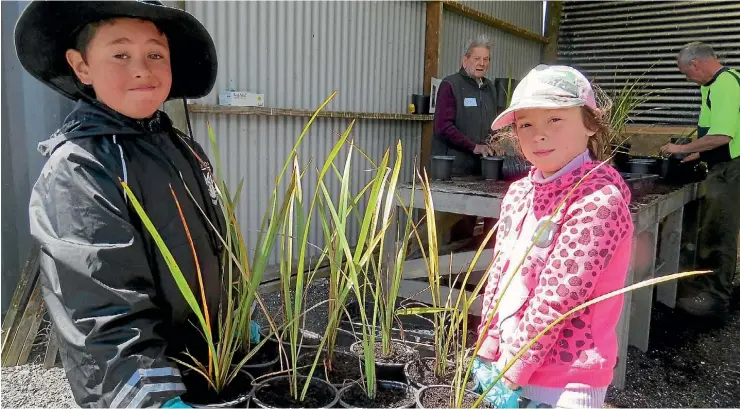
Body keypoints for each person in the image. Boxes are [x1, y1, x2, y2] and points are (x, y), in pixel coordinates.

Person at [16, 2, 256, 407]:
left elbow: (217, 248)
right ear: (81, 66)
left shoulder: (185, 150)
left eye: (155, 54)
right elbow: (98, 312)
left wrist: (238, 322)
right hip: (147, 385)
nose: (142, 69)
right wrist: (155, 398)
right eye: (121, 54)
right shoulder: (80, 168)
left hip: (211, 366)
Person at [471, 65, 635, 408]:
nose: (538, 135)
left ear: (590, 124)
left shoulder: (597, 201)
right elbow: (500, 274)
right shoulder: (519, 193)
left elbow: (558, 298)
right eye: (526, 124)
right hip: (508, 365)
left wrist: (511, 373)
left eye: (555, 120)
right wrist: (487, 346)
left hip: (565, 381)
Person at [660, 41, 740, 322]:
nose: (687, 78)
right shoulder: (718, 84)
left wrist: (679, 148)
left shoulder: (725, 84)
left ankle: (715, 302)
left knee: (720, 231)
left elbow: (723, 136)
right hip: (724, 165)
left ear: (695, 65)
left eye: (685, 73)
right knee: (715, 228)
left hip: (732, 169)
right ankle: (712, 290)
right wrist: (697, 152)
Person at [429, 35, 499, 245]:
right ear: (464, 60)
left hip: (479, 172)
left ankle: (472, 274)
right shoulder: (451, 85)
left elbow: (491, 126)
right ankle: (446, 274)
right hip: (453, 172)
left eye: (486, 59)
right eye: (477, 58)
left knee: (477, 227)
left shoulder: (489, 89)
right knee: (453, 228)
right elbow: (443, 127)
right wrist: (474, 146)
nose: (482, 63)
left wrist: (496, 141)